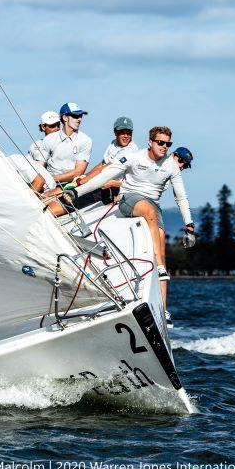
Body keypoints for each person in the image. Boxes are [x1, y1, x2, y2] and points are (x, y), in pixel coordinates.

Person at [56, 126, 194, 315]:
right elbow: (106, 175)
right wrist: (76, 191)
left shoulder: (171, 167)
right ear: (150, 142)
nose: (164, 147)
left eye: (167, 144)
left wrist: (189, 226)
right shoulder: (134, 157)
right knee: (148, 213)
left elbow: (181, 198)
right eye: (160, 143)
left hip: (154, 205)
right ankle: (159, 267)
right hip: (130, 199)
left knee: (160, 246)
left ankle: (163, 311)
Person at [71, 116, 138, 205]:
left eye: (129, 133)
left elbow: (106, 168)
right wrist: (84, 176)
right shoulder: (114, 143)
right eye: (122, 132)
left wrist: (82, 181)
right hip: (104, 182)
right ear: (115, 132)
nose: (126, 136)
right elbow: (102, 164)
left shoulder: (131, 149)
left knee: (76, 198)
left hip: (117, 187)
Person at [33, 102, 92, 189]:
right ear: (65, 118)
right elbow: (38, 167)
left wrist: (51, 178)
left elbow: (78, 172)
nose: (79, 119)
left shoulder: (85, 140)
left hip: (70, 186)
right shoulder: (49, 139)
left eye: (81, 116)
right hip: (47, 185)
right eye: (76, 116)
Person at [7, 111, 60, 192]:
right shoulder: (35, 146)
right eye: (52, 126)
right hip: (42, 186)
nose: (56, 129)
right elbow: (34, 170)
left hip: (58, 186)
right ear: (43, 127)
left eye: (58, 125)